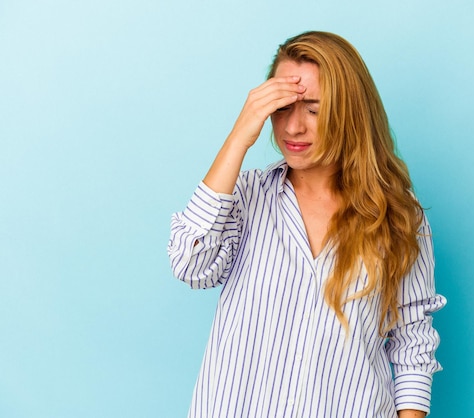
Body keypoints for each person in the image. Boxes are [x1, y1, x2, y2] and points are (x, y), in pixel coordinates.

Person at [168, 31, 446, 418]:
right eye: (281, 108)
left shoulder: (398, 214)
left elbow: (413, 341)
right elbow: (189, 265)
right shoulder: (245, 198)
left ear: (348, 112)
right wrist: (237, 139)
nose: (293, 128)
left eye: (314, 110)